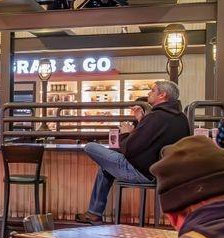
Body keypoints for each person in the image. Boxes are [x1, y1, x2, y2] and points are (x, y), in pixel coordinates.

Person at [75, 80, 190, 224]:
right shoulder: (181, 118)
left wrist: (126, 133)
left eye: (152, 90)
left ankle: (94, 214)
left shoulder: (155, 117)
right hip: (165, 174)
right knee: (105, 166)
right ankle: (94, 213)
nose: (149, 93)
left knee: (90, 147)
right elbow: (151, 142)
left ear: (162, 95)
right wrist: (141, 121)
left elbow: (129, 149)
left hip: (143, 172)